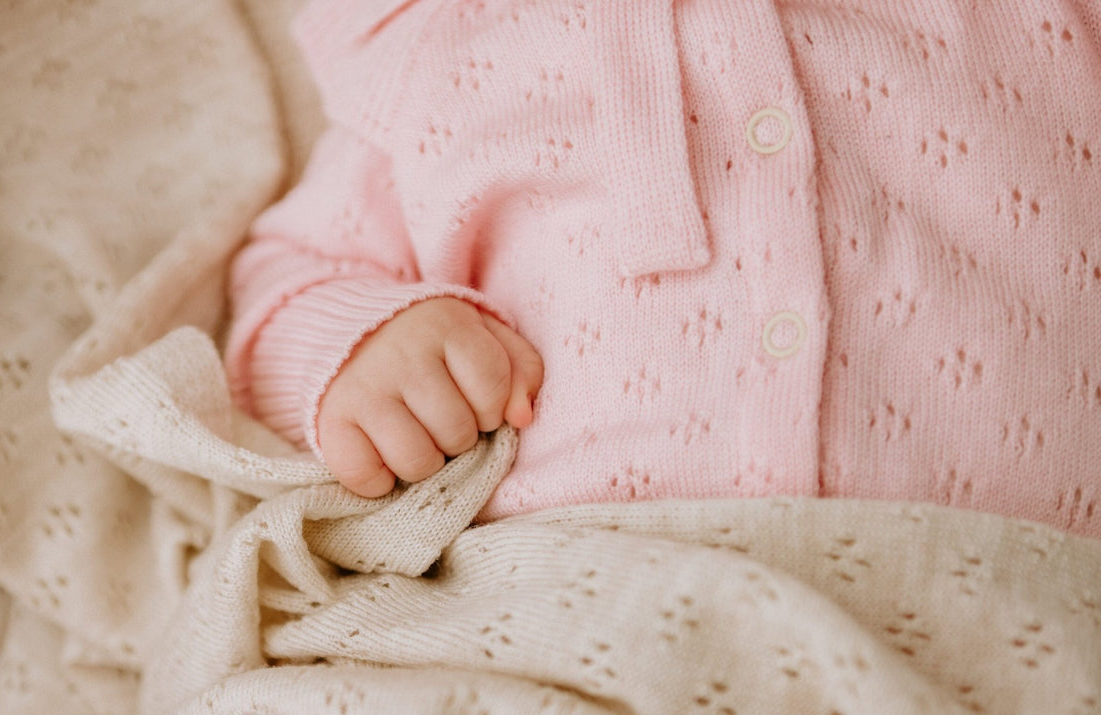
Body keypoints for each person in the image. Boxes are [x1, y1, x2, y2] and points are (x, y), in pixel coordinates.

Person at [225, 0, 1101, 535]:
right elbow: (291, 270)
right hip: (594, 603)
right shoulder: (446, 45)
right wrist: (365, 344)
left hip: (1017, 606)